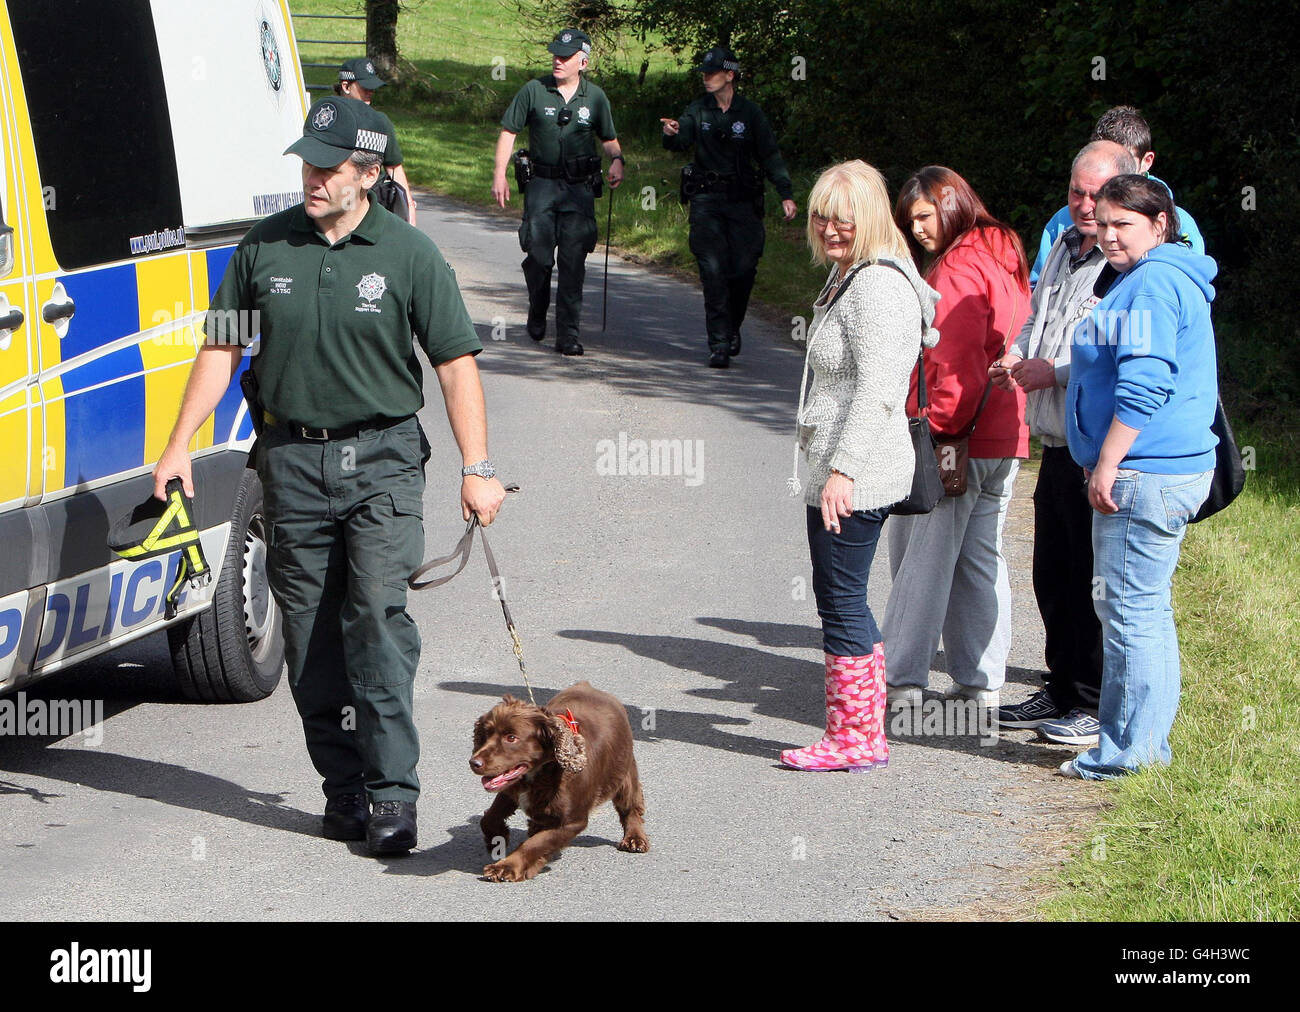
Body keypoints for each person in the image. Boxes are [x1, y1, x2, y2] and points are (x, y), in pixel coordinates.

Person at [152, 96, 507, 854]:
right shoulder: (266, 248)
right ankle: (342, 787)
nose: (311, 178)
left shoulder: (409, 256)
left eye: (328, 166)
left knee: (376, 621)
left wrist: (478, 468)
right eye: (308, 163)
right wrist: (180, 442)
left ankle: (391, 794)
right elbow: (222, 349)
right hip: (290, 462)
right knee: (310, 635)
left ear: (369, 173)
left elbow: (454, 363)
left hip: (381, 461)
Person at [781, 160, 938, 771]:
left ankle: (855, 739)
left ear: (868, 218)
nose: (828, 229)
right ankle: (859, 733)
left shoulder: (877, 287)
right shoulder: (854, 275)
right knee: (841, 595)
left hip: (857, 474)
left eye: (842, 219)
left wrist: (843, 471)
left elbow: (879, 389)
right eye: (821, 217)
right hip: (843, 469)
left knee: (842, 598)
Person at [1060, 173, 1217, 779]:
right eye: (1103, 223)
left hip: (1145, 473)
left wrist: (1107, 462)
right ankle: (1146, 744)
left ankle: (1128, 754)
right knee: (1146, 609)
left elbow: (1146, 381)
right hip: (1168, 470)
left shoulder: (1150, 284)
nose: (1109, 235)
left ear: (1160, 225)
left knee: (1128, 613)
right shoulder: (1165, 275)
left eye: (1125, 224)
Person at [991, 141, 1137, 745]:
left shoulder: (1128, 265)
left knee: (1092, 577)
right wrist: (1020, 350)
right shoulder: (1065, 244)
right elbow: (1036, 313)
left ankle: (1094, 701)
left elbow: (1121, 353)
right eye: (1075, 192)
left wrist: (1052, 370)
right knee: (1053, 573)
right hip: (1055, 437)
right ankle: (1061, 684)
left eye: (1096, 195)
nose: (1082, 205)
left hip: (1097, 444)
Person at [881, 167, 1030, 706]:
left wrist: (934, 433)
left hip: (957, 434)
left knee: (922, 560)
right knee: (978, 561)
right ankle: (980, 682)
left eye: (924, 216)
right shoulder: (1004, 251)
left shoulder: (958, 266)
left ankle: (899, 681)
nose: (918, 230)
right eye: (910, 221)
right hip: (1003, 429)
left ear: (950, 205)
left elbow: (957, 361)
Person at [662, 47, 797, 369]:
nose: (706, 79)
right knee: (712, 270)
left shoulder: (750, 113)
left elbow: (769, 154)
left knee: (743, 269)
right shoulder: (698, 110)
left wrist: (786, 193)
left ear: (730, 76)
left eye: (712, 73)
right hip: (707, 200)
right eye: (704, 74)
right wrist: (671, 133)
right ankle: (719, 342)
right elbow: (681, 138)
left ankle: (731, 327)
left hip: (742, 202)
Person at [491, 29, 623, 356]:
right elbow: (509, 131)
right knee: (537, 256)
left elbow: (608, 137)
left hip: (578, 190)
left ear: (584, 62)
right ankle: (538, 306)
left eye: (565, 56)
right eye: (555, 54)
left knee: (573, 261)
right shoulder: (534, 91)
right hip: (542, 185)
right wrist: (500, 173)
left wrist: (617, 159)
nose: (557, 60)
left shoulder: (595, 98)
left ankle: (568, 334)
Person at [1030, 105, 1203, 285]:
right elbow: (1036, 288)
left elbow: (1187, 290)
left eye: (1124, 163)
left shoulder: (1177, 224)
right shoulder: (1064, 219)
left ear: (1147, 161)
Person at [335, 57, 417, 225]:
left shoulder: (379, 122)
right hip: (336, 202)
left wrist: (409, 210)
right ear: (346, 86)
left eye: (373, 87)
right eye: (365, 86)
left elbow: (395, 168)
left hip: (371, 205)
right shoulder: (329, 119)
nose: (370, 91)